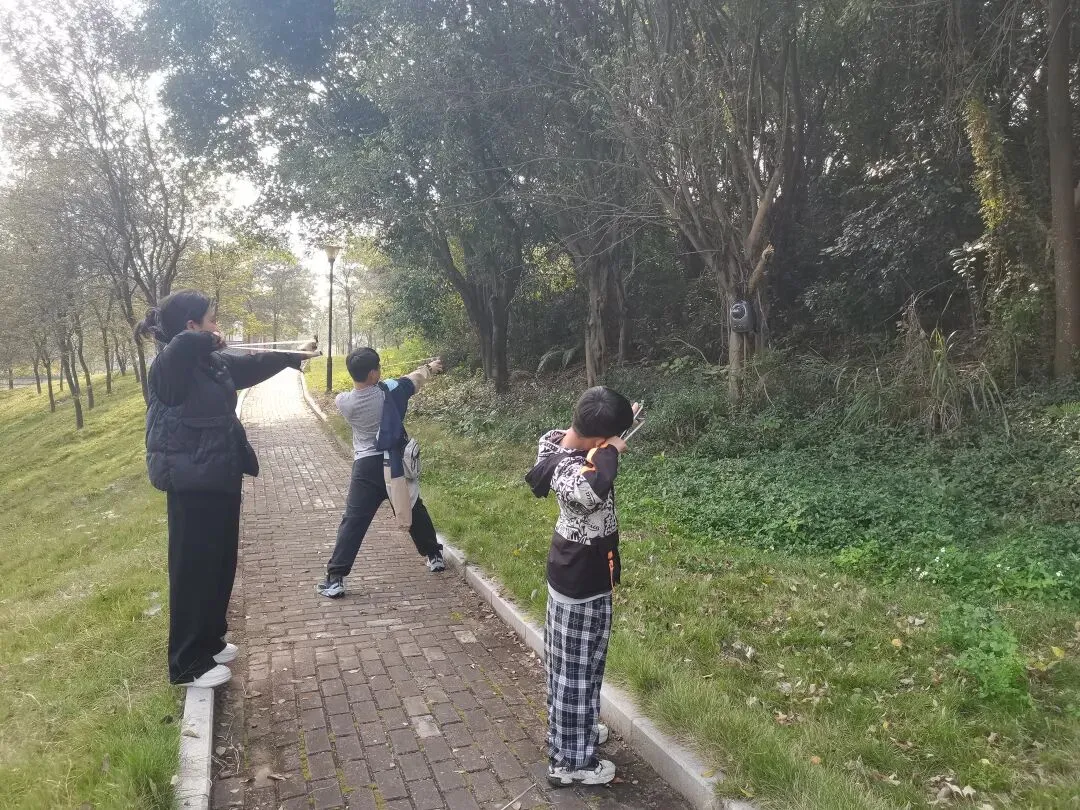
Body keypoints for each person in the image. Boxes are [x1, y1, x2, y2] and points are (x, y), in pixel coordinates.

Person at [137, 290, 319, 689]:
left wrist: (293, 356)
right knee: (194, 570)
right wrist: (205, 338)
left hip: (219, 474)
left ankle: (209, 641)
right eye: (212, 320)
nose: (217, 326)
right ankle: (187, 664)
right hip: (190, 482)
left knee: (219, 565)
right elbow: (181, 347)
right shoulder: (169, 366)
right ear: (192, 326)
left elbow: (249, 365)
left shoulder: (210, 362)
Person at [525, 386, 639, 786]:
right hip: (581, 579)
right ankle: (570, 762)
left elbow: (592, 449)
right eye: (609, 439)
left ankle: (578, 730)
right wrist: (612, 450)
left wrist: (617, 430)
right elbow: (591, 489)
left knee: (579, 663)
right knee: (575, 671)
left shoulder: (555, 442)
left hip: (576, 570)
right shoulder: (571, 472)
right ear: (598, 439)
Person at [316, 347, 446, 598]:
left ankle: (335, 579)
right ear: (373, 374)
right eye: (378, 368)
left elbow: (359, 390)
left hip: (365, 467)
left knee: (353, 521)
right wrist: (430, 368)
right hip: (394, 464)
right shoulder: (390, 391)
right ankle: (434, 555)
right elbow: (411, 380)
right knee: (413, 507)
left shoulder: (344, 402)